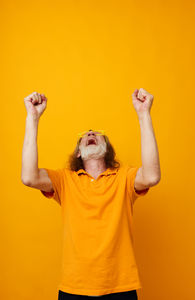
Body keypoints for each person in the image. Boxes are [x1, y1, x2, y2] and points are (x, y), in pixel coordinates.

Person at [21, 89, 161, 300]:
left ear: (107, 150)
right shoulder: (65, 180)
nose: (90, 134)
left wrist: (144, 114)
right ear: (78, 152)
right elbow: (29, 177)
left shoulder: (124, 178)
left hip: (120, 288)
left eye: (96, 134)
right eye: (85, 136)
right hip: (74, 288)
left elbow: (152, 176)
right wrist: (32, 118)